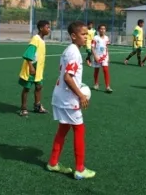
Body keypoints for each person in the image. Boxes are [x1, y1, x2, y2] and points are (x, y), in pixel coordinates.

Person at [47, 21, 96, 180]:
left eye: (87, 35)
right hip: (69, 99)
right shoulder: (74, 52)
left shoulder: (69, 49)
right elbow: (68, 77)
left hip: (60, 96)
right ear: (73, 36)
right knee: (79, 130)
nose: (86, 37)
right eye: (83, 34)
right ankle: (80, 169)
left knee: (63, 129)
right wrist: (81, 95)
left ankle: (53, 163)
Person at [18, 20, 51, 116]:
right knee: (27, 88)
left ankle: (37, 106)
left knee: (39, 86)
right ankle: (23, 108)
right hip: (32, 68)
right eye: (47, 27)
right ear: (41, 28)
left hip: (39, 69)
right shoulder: (35, 39)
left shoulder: (42, 40)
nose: (49, 29)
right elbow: (29, 53)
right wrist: (31, 66)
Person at [92, 24, 112, 93]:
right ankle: (96, 84)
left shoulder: (106, 38)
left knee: (106, 70)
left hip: (104, 56)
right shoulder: (95, 38)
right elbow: (92, 47)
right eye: (101, 29)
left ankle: (107, 87)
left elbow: (106, 47)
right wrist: (95, 56)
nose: (102, 30)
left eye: (104, 29)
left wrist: (108, 56)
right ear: (98, 30)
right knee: (96, 70)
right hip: (97, 56)